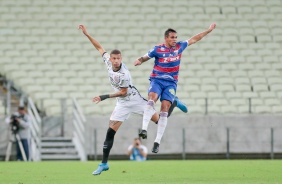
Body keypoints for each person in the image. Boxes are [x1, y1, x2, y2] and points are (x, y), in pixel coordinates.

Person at [78, 24, 187, 175]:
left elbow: (123, 92)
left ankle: (173, 102)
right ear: (110, 58)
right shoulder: (108, 62)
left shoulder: (124, 74)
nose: (115, 61)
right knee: (110, 132)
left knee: (161, 120)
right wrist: (87, 34)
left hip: (134, 100)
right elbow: (99, 47)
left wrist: (103, 97)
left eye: (118, 58)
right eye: (113, 58)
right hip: (122, 104)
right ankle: (103, 164)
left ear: (121, 59)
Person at [134, 23, 217, 153]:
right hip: (157, 80)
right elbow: (145, 57)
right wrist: (139, 60)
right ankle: (144, 129)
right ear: (166, 38)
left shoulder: (179, 47)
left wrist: (208, 31)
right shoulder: (157, 49)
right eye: (172, 37)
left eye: (176, 37)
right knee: (151, 99)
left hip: (171, 84)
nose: (175, 40)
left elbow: (194, 39)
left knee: (164, 109)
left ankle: (157, 142)